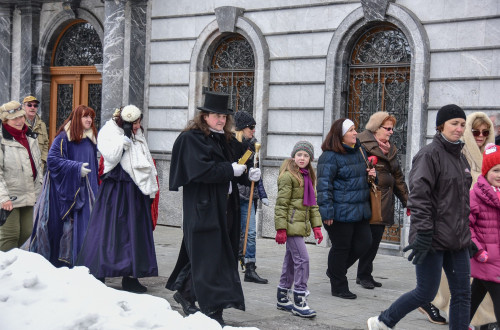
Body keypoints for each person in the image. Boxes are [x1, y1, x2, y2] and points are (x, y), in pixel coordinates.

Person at [367, 104, 473, 330]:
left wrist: (467, 234)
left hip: (457, 240)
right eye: (454, 123)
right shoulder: (429, 155)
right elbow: (419, 197)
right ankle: (384, 321)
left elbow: (461, 202)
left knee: (463, 293)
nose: (459, 128)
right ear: (440, 126)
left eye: (462, 124)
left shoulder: (460, 157)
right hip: (431, 237)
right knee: (426, 291)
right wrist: (423, 232)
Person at [165, 91, 259, 326]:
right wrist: (231, 170)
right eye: (216, 115)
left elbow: (237, 168)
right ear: (204, 116)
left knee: (214, 256)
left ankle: (187, 294)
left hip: (225, 206)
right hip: (203, 207)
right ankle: (211, 309)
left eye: (224, 116)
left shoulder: (224, 139)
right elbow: (201, 171)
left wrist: (248, 175)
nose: (221, 120)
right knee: (208, 257)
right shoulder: (191, 139)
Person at [76, 105, 158, 293]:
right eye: (134, 123)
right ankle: (99, 271)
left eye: (138, 123)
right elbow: (111, 157)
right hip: (116, 187)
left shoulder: (138, 133)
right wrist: (125, 139)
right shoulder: (108, 131)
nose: (137, 126)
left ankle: (131, 276)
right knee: (109, 228)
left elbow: (144, 156)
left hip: (136, 188)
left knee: (134, 230)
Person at [30, 105, 99, 267]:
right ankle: (69, 264)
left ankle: (87, 264)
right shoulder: (63, 137)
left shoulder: (91, 139)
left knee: (88, 228)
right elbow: (53, 161)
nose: (89, 120)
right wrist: (76, 168)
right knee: (69, 228)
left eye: (91, 117)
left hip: (88, 190)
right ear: (76, 118)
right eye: (85, 117)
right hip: (68, 190)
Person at [317, 118, 376, 300]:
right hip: (339, 212)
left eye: (354, 129)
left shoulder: (360, 150)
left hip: (360, 209)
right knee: (341, 248)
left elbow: (368, 176)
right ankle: (339, 285)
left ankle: (335, 270)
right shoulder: (329, 156)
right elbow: (324, 187)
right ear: (340, 135)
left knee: (365, 243)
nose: (355, 133)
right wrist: (326, 212)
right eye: (351, 130)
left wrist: (374, 174)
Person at [355, 112, 408, 290]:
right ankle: (350, 273)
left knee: (375, 239)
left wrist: (408, 202)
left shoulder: (391, 148)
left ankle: (364, 274)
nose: (391, 132)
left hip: (383, 200)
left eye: (392, 128)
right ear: (376, 128)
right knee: (365, 239)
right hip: (366, 197)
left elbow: (398, 177)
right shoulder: (360, 143)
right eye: (388, 128)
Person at [274, 140, 323, 318]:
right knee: (303, 260)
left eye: (306, 155)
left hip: (300, 225)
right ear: (293, 156)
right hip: (291, 226)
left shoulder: (308, 176)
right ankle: (300, 299)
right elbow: (281, 204)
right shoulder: (288, 176)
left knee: (291, 260)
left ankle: (282, 295)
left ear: (310, 159)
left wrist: (317, 226)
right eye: (299, 154)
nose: (302, 158)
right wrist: (281, 229)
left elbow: (313, 205)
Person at [0, 101, 42, 251]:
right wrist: (3, 197)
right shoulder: (2, 139)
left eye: (21, 117)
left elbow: (37, 163)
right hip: (8, 197)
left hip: (28, 194)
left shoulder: (30, 135)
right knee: (10, 236)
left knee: (27, 232)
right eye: (14, 119)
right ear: (5, 120)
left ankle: (12, 265)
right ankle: (5, 270)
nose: (19, 121)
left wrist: (39, 186)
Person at [234, 110, 269, 284]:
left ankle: (250, 267)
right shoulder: (233, 145)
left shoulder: (254, 146)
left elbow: (256, 173)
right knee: (237, 232)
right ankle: (235, 261)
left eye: (254, 127)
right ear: (241, 128)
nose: (253, 130)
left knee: (251, 232)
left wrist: (262, 194)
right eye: (251, 127)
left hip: (249, 196)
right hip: (234, 195)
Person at [469, 143, 500, 328]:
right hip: (486, 258)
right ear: (486, 172)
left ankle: (460, 323)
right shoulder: (476, 195)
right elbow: (466, 226)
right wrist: (478, 250)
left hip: (495, 259)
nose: (499, 175)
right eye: (496, 170)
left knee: (475, 295)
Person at [22, 96, 49, 171]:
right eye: (29, 105)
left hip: (38, 166)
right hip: (22, 166)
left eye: (35, 105)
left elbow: (46, 144)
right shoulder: (18, 123)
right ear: (23, 106)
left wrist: (43, 161)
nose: (32, 107)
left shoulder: (42, 124)